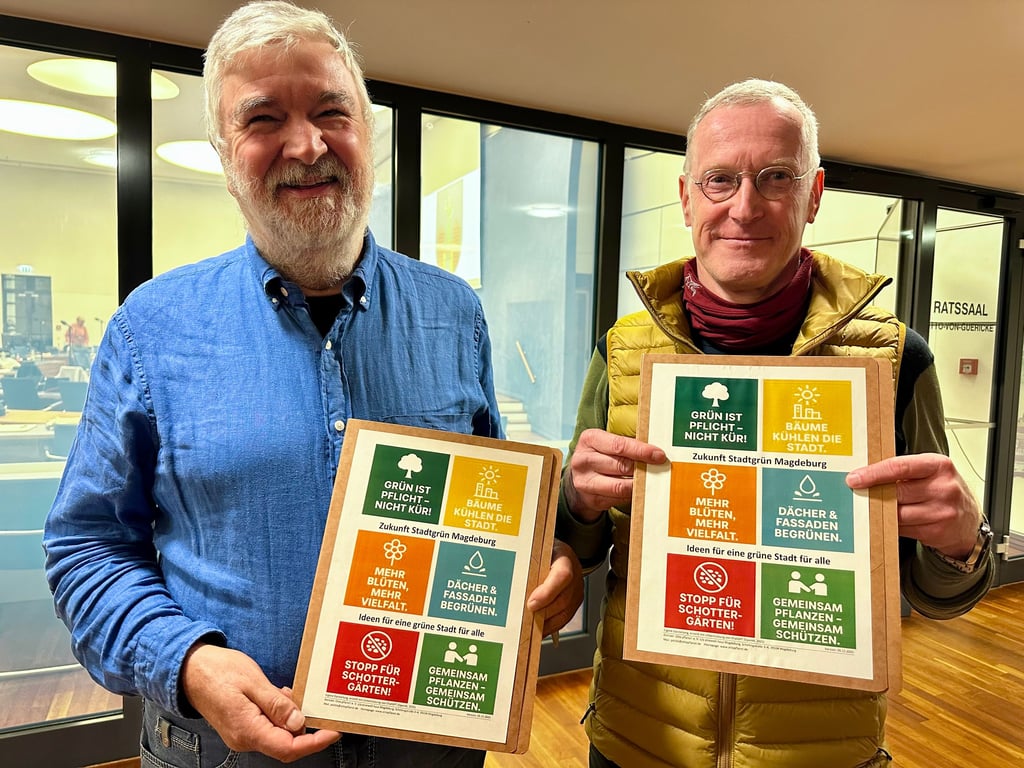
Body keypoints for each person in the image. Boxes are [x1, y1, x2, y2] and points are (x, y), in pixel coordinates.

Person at [43, 2, 582, 766]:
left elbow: (485, 517)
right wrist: (188, 661)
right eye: (264, 119)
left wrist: (544, 565)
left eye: (333, 111)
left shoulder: (453, 313)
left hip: (430, 746)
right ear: (226, 154)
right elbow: (87, 547)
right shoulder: (152, 329)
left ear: (369, 134)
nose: (307, 143)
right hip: (222, 754)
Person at [558, 79, 994, 768]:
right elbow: (577, 550)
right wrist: (576, 503)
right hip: (640, 742)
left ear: (814, 194)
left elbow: (937, 594)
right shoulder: (621, 351)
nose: (744, 206)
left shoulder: (895, 359)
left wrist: (962, 544)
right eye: (720, 179)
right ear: (685, 197)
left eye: (775, 178)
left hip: (820, 753)